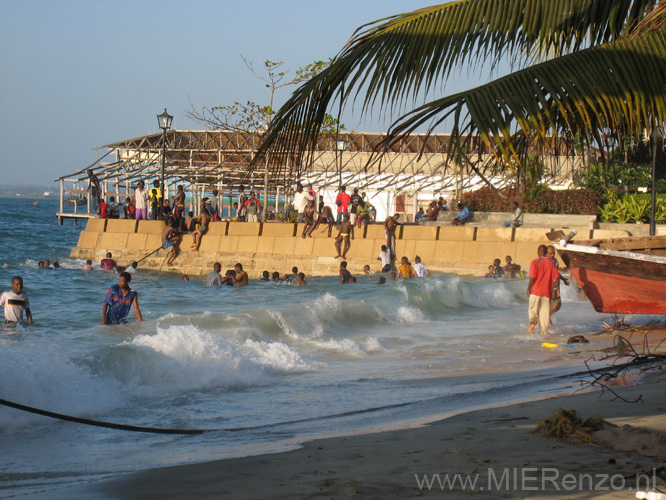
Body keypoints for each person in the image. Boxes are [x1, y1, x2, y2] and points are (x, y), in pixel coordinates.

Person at [526, 245, 560, 335]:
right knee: (544, 312)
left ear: (538, 252)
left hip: (536, 291)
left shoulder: (535, 262)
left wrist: (528, 288)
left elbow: (532, 277)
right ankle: (544, 332)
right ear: (546, 252)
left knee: (533, 309)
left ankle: (533, 325)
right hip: (546, 292)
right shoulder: (552, 262)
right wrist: (558, 290)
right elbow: (557, 277)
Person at [547, 245, 570, 319]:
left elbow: (556, 273)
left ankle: (545, 318)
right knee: (553, 305)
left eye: (553, 253)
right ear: (546, 253)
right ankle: (545, 319)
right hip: (547, 287)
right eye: (550, 254)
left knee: (557, 305)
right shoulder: (545, 262)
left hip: (554, 287)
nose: (552, 255)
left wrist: (563, 280)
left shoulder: (555, 261)